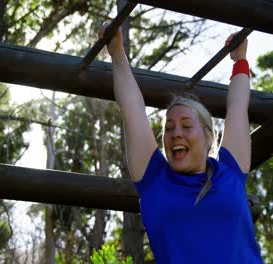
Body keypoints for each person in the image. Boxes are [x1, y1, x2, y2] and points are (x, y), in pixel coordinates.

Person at [100, 25, 263, 263]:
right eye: (168, 128)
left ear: (209, 136)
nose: (176, 133)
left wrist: (240, 59)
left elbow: (238, 108)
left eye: (186, 126)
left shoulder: (230, 171)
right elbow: (132, 109)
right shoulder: (154, 179)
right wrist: (116, 52)